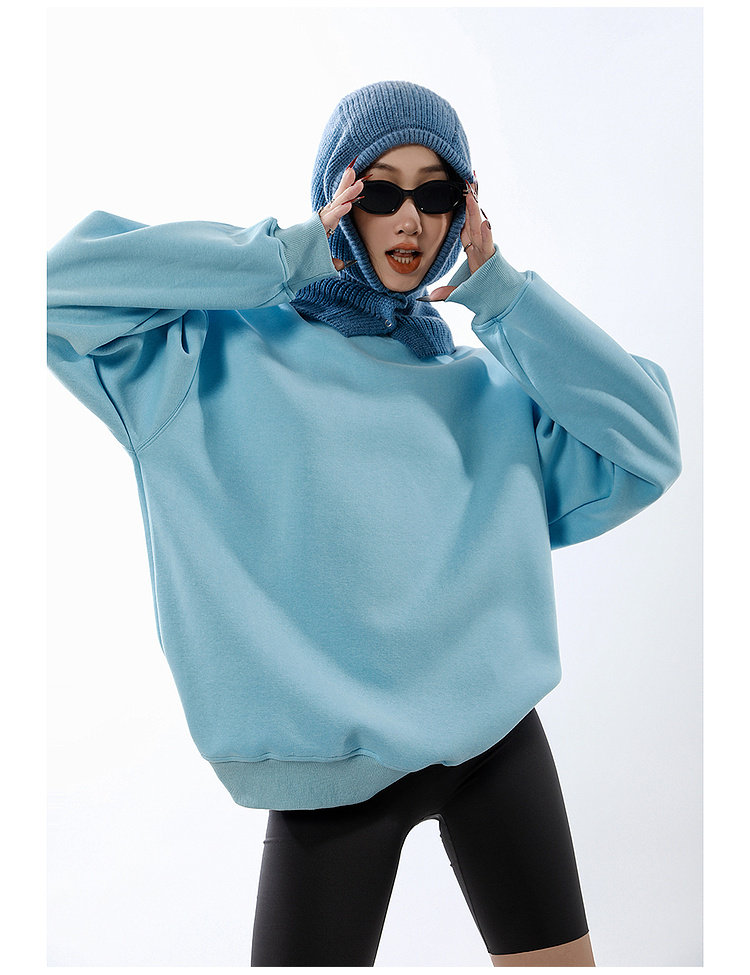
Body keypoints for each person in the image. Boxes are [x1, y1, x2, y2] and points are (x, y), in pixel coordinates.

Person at [47, 80, 682, 967]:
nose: (410, 218)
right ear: (337, 196)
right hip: (326, 774)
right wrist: (287, 254)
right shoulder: (209, 358)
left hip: (497, 745)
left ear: (463, 210)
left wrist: (503, 295)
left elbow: (649, 443)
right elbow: (55, 287)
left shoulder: (489, 387)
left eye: (437, 192)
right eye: (380, 191)